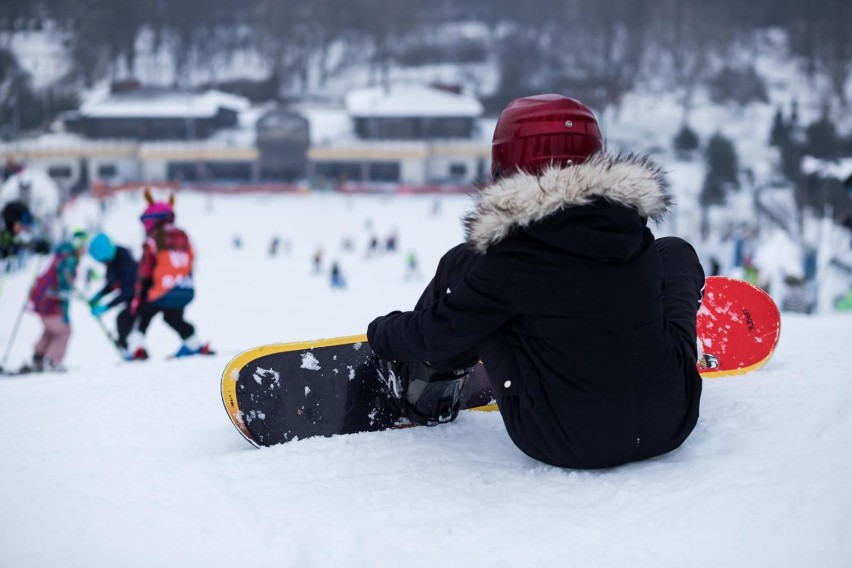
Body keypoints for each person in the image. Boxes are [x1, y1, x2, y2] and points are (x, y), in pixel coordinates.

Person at [367, 94, 705, 470]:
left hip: (563, 439)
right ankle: (666, 346)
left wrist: (380, 333)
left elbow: (438, 331)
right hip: (673, 419)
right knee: (672, 251)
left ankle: (429, 388)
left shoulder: (510, 261)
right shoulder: (632, 233)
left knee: (464, 266)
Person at [126, 189, 209, 360]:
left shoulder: (154, 240)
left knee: (144, 315)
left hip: (161, 291)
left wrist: (138, 296)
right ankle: (194, 344)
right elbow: (192, 260)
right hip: (184, 289)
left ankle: (136, 348)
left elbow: (145, 271)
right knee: (173, 317)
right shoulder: (183, 236)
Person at [25, 230, 88, 372]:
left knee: (51, 329)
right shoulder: (69, 259)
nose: (85, 250)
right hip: (48, 300)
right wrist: (65, 313)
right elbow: (63, 289)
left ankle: (38, 357)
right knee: (64, 330)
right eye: (84, 245)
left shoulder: (63, 254)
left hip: (41, 299)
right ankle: (53, 362)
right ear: (78, 245)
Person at [87, 232, 138, 356]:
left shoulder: (126, 263)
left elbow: (128, 291)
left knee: (126, 321)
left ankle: (133, 352)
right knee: (122, 320)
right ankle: (127, 348)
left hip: (140, 299)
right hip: (131, 299)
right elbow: (112, 284)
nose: (102, 264)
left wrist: (106, 307)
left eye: (103, 261)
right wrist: (99, 295)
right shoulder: (113, 262)